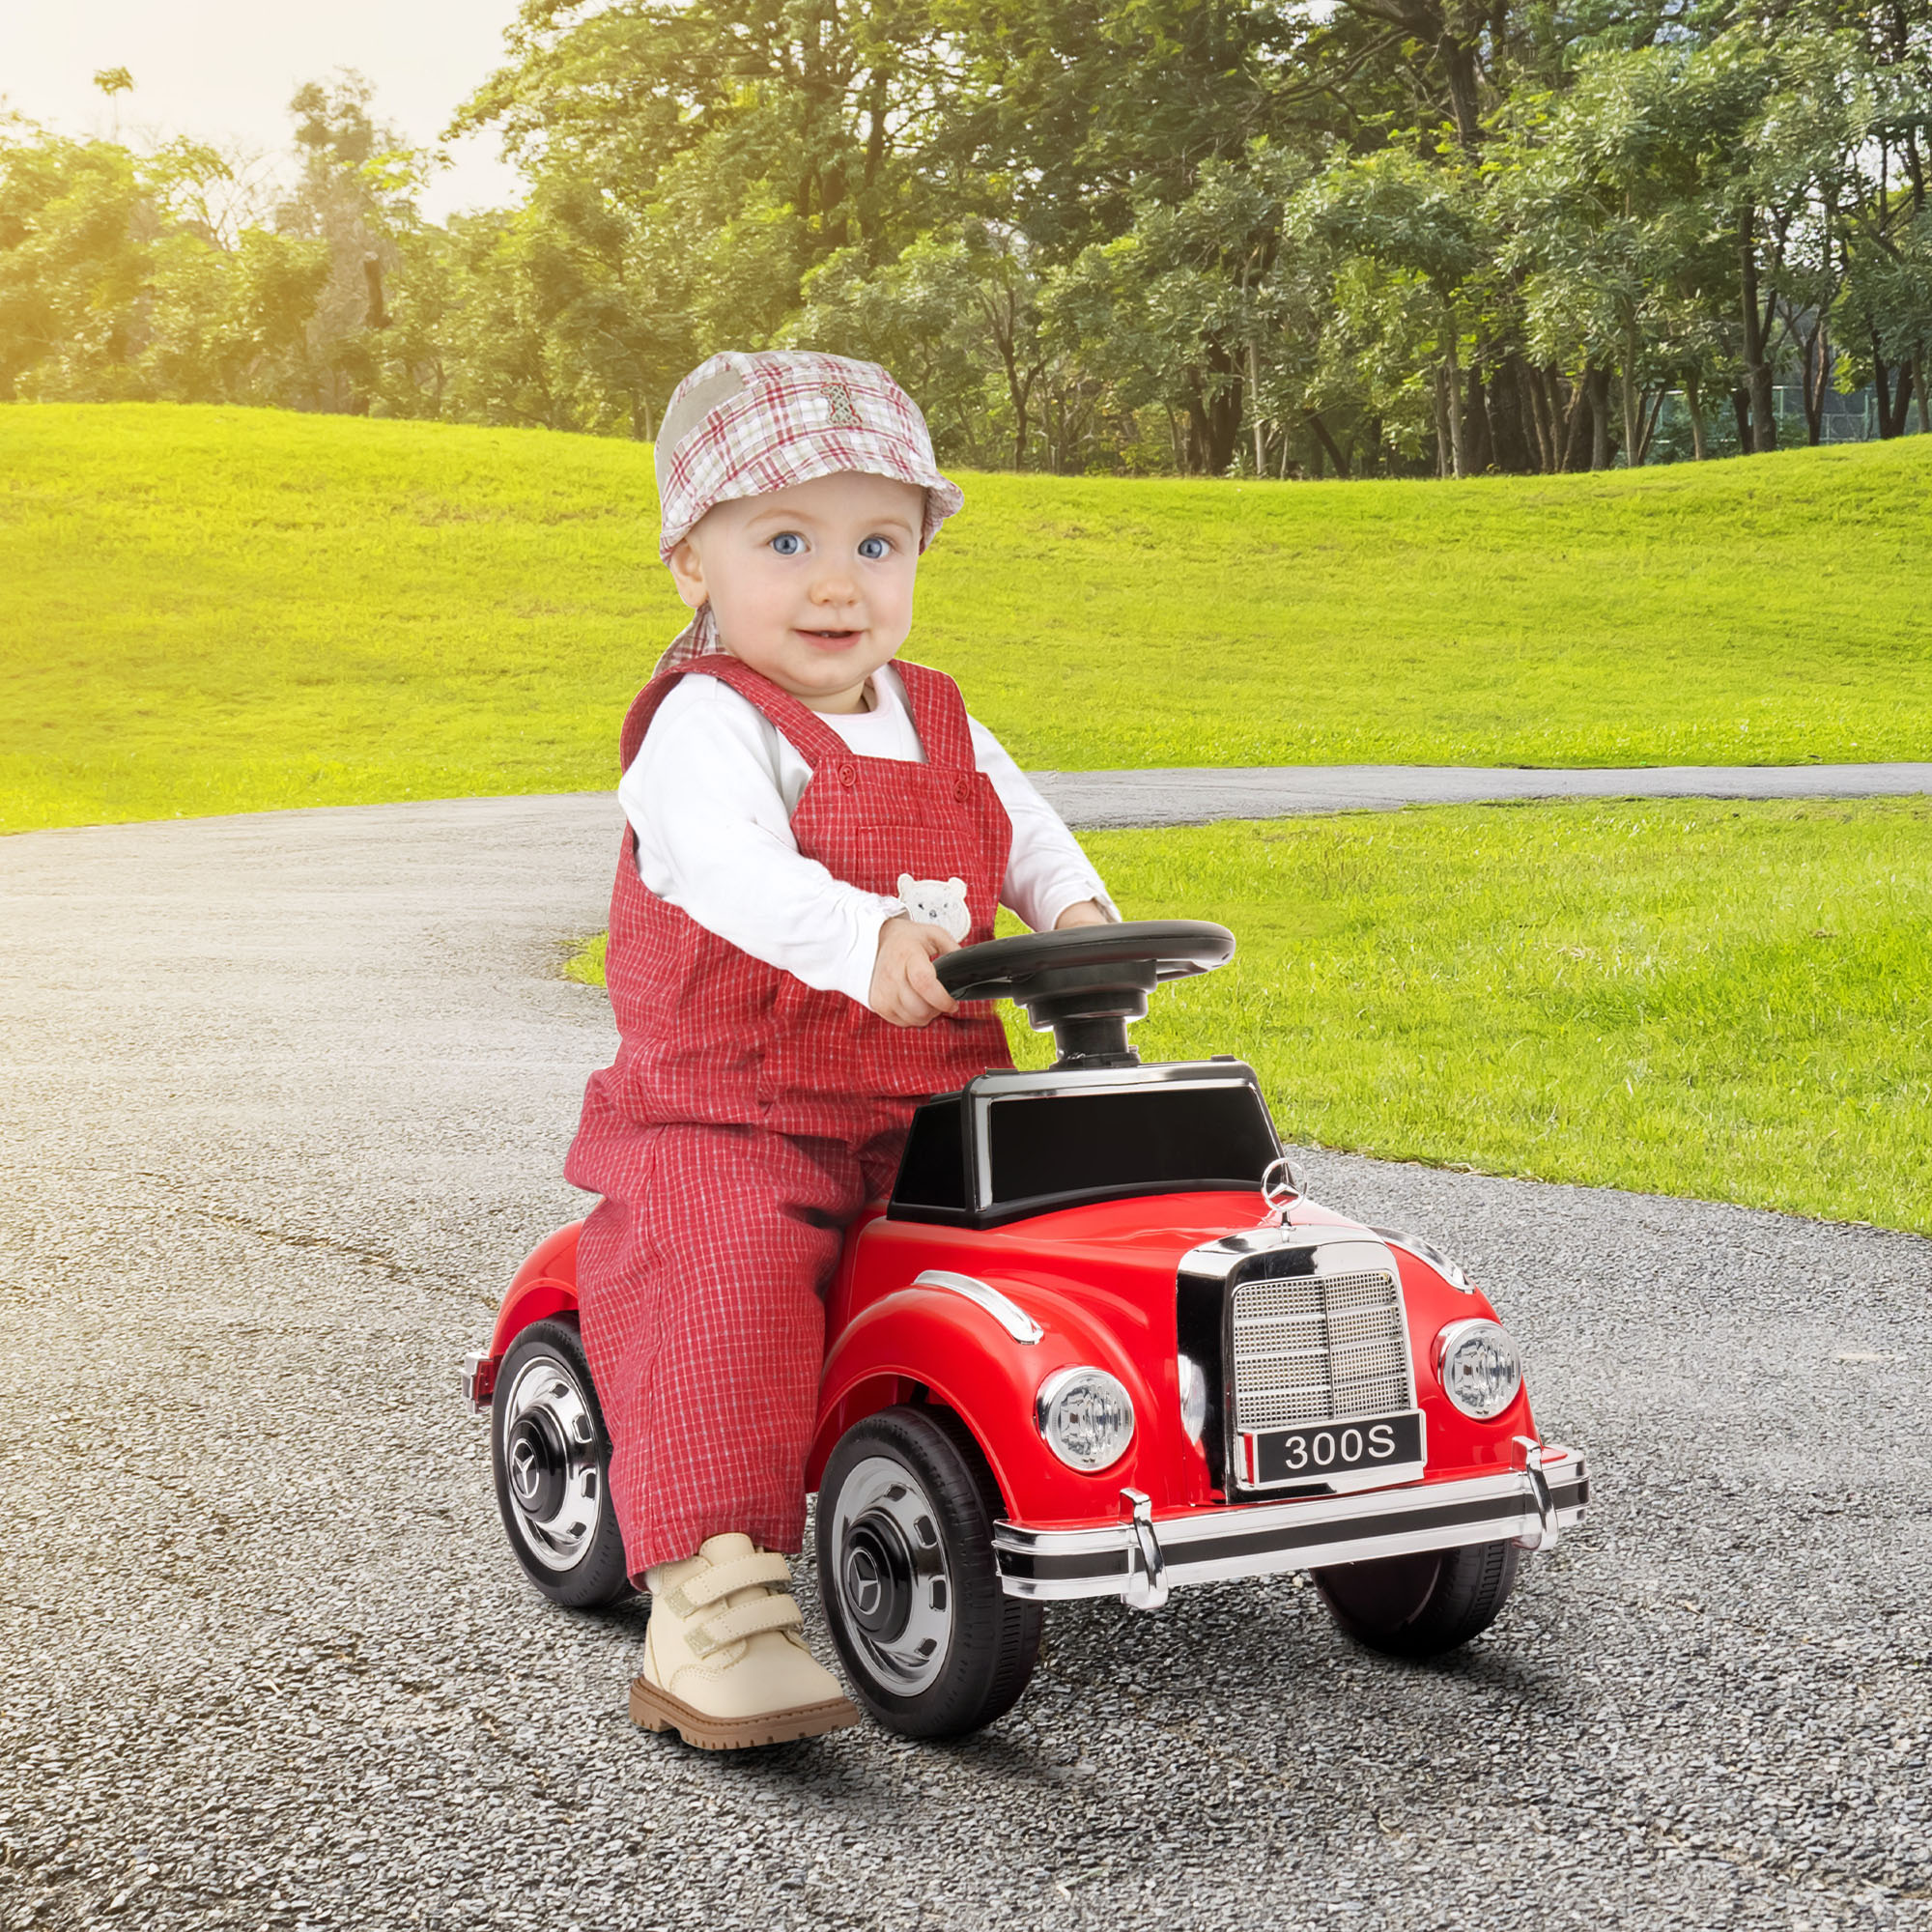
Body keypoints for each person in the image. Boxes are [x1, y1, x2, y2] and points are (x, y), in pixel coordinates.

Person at [565, 350, 1118, 1750]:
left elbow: (1026, 828)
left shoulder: (938, 713)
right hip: (736, 1112)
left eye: (878, 543)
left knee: (1094, 1224)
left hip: (935, 1104)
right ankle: (716, 1606)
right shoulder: (705, 725)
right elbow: (728, 874)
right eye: (788, 542)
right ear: (692, 560)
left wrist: (1077, 909)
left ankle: (1122, 1454)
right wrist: (862, 939)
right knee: (729, 1271)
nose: (837, 584)